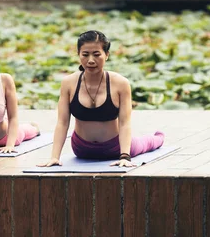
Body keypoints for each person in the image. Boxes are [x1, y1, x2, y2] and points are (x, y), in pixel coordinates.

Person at [38, 30, 164, 168]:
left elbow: (124, 123)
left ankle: (158, 138)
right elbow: (62, 123)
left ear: (107, 55)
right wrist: (54, 157)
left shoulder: (121, 83)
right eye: (85, 55)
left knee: (145, 143)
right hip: (82, 148)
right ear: (79, 55)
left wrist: (125, 156)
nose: (91, 60)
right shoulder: (68, 83)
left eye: (97, 54)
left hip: (115, 147)